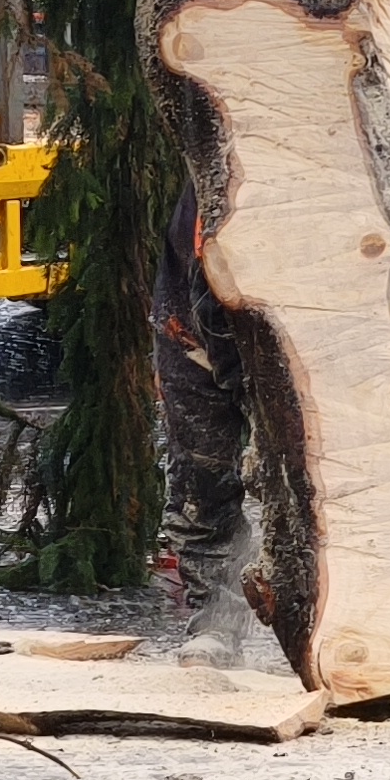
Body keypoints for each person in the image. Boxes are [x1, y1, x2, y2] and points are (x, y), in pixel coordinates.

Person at [150, 190, 268, 666]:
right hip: (188, 316)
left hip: (276, 326)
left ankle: (345, 621)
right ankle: (215, 622)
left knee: (306, 480)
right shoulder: (214, 156)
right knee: (201, 475)